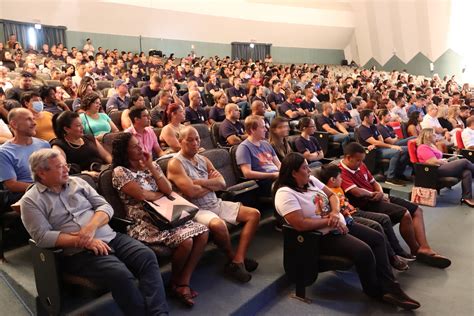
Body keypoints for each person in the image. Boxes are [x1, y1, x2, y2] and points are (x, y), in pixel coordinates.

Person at [20, 148, 169, 315]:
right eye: (60, 167)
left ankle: (158, 313)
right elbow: (42, 237)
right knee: (120, 274)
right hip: (79, 253)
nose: (67, 169)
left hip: (110, 237)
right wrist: (84, 240)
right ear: (42, 173)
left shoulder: (79, 183)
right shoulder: (30, 201)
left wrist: (90, 228)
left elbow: (105, 207)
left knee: (147, 256)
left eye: (65, 164)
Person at [274, 152, 420, 310]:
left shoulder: (310, 181)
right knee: (364, 251)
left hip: (338, 223)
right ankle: (374, 291)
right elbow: (300, 225)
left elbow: (332, 195)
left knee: (377, 238)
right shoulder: (284, 194)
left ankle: (391, 287)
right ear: (293, 172)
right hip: (319, 237)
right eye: (305, 168)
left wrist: (335, 213)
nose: (309, 171)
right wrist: (331, 221)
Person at [111, 133, 208, 307]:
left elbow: (168, 189)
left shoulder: (152, 165)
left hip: (167, 214)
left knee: (203, 233)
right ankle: (175, 282)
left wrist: (150, 165)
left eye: (139, 143)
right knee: (186, 242)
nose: (140, 147)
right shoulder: (120, 171)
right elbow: (140, 195)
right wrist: (159, 194)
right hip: (144, 221)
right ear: (124, 152)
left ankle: (182, 280)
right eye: (135, 146)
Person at [167, 126, 260, 283]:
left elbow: (222, 183)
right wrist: (211, 183)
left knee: (254, 214)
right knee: (219, 225)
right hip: (197, 209)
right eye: (190, 140)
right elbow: (191, 192)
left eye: (197, 139)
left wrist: (199, 182)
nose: (195, 142)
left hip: (216, 202)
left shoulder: (204, 159)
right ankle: (232, 258)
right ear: (181, 141)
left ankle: (238, 259)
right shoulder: (175, 163)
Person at [338, 142, 451, 269]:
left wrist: (381, 193)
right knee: (405, 214)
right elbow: (356, 192)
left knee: (417, 210)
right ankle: (415, 249)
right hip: (366, 202)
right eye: (358, 161)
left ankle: (424, 247)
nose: (360, 164)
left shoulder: (361, 165)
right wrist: (375, 195)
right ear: (348, 158)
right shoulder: (341, 171)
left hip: (377, 197)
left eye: (361, 160)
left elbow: (374, 182)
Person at [319, 165, 410, 271]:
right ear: (333, 179)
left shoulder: (338, 187)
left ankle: (396, 251)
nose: (342, 179)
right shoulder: (328, 193)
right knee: (376, 225)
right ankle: (393, 257)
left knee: (384, 218)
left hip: (356, 211)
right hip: (349, 216)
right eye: (340, 177)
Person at [0, 108, 50, 209]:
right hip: (27, 194)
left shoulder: (44, 144)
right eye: (29, 119)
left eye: (33, 119)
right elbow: (12, 185)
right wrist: (42, 188)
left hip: (50, 188)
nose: (34, 123)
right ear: (14, 124)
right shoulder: (4, 152)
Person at [416, 128, 474, 207]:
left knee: (467, 172)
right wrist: (443, 161)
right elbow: (432, 161)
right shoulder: (423, 147)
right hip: (433, 170)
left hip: (441, 166)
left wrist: (445, 160)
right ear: (428, 136)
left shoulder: (432, 145)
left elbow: (438, 158)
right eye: (433, 134)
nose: (435, 135)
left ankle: (466, 198)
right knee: (464, 161)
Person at [51, 111, 111, 177]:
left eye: (82, 124)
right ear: (66, 129)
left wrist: (113, 165)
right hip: (84, 177)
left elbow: (106, 156)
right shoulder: (59, 146)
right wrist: (85, 174)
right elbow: (62, 169)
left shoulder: (89, 138)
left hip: (101, 170)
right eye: (78, 126)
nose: (82, 127)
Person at [358, 109, 409, 185]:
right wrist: (391, 146)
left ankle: (398, 173)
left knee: (407, 149)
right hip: (372, 153)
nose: (374, 118)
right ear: (366, 118)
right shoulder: (362, 129)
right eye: (372, 116)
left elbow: (380, 139)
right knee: (397, 151)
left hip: (379, 148)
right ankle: (390, 178)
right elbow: (376, 141)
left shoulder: (373, 126)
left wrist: (375, 144)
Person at [236, 115, 281, 196]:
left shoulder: (266, 144)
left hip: (277, 177)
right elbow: (247, 173)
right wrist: (273, 175)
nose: (266, 129)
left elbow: (278, 164)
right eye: (263, 127)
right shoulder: (244, 148)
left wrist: (284, 173)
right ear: (253, 130)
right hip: (264, 182)